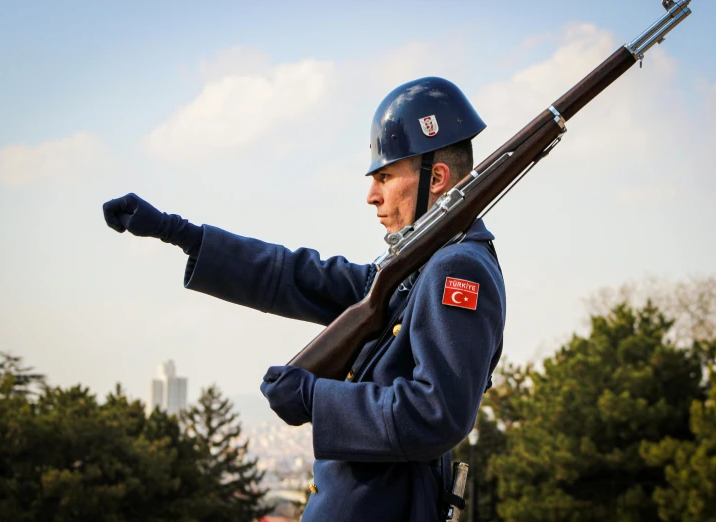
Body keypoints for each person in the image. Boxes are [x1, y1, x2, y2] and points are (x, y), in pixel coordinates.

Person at [103, 77, 506, 521]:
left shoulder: (457, 268)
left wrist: (316, 397)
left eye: (386, 177)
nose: (372, 195)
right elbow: (300, 276)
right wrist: (180, 233)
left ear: (438, 178)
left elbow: (436, 414)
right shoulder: (425, 262)